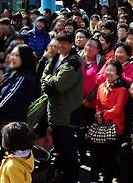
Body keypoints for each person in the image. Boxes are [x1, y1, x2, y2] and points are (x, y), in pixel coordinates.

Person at [40, 31, 84, 183]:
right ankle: (60, 176)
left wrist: (48, 82)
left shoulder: (74, 62)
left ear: (72, 44)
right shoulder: (56, 58)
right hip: (54, 113)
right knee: (59, 150)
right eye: (59, 42)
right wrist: (48, 81)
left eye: (64, 42)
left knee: (69, 152)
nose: (60, 45)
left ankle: (71, 179)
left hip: (68, 115)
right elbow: (43, 77)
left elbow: (58, 86)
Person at [0, 45, 37, 165]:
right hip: (8, 119)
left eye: (17, 55)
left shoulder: (24, 76)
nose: (12, 58)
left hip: (13, 120)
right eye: (12, 55)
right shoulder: (17, 73)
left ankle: (3, 155)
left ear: (24, 58)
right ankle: (2, 153)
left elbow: (12, 96)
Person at [89, 59, 129, 183]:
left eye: (112, 71)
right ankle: (93, 179)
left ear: (118, 74)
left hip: (115, 127)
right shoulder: (101, 86)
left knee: (109, 157)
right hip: (101, 124)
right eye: (108, 70)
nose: (109, 72)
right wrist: (98, 114)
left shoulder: (122, 89)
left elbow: (117, 109)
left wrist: (102, 115)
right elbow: (97, 104)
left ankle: (107, 179)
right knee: (95, 154)